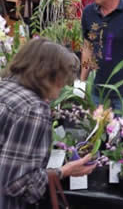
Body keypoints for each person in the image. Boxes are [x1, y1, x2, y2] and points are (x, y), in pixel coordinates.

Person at [0, 38, 96, 209]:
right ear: (50, 76)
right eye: (63, 81)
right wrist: (63, 172)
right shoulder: (33, 109)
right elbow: (15, 184)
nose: (62, 88)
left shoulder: (4, 89)